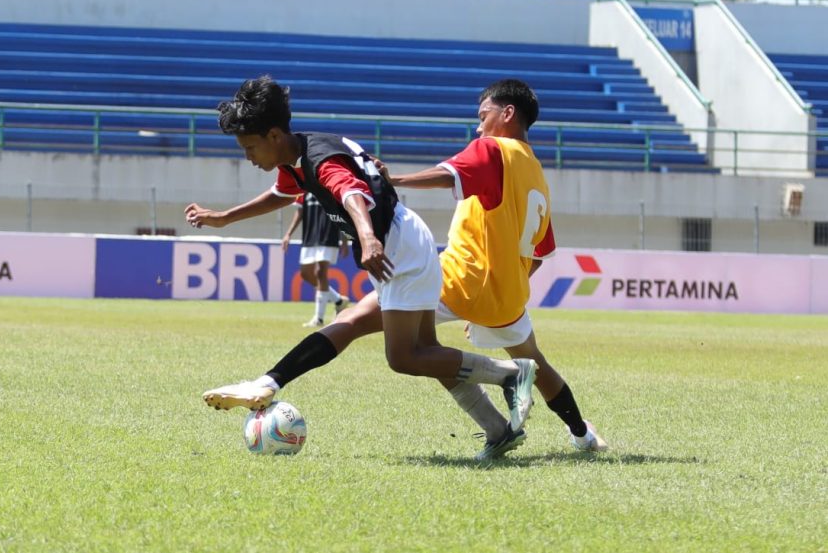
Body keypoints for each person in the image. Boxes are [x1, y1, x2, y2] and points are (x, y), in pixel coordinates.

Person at [201, 78, 606, 460]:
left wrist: (379, 213)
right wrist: (224, 218)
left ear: (507, 114)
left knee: (399, 351)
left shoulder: (491, 150)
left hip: (439, 265)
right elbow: (537, 251)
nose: (479, 126)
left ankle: (510, 376)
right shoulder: (535, 170)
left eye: (483, 115)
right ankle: (557, 432)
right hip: (501, 289)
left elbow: (368, 190)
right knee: (425, 349)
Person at [282, 192, 351, 327]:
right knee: (306, 274)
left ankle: (318, 319)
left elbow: (342, 214)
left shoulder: (332, 185)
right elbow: (300, 211)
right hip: (310, 236)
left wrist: (344, 239)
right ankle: (338, 300)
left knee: (321, 272)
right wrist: (288, 234)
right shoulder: (304, 187)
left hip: (329, 235)